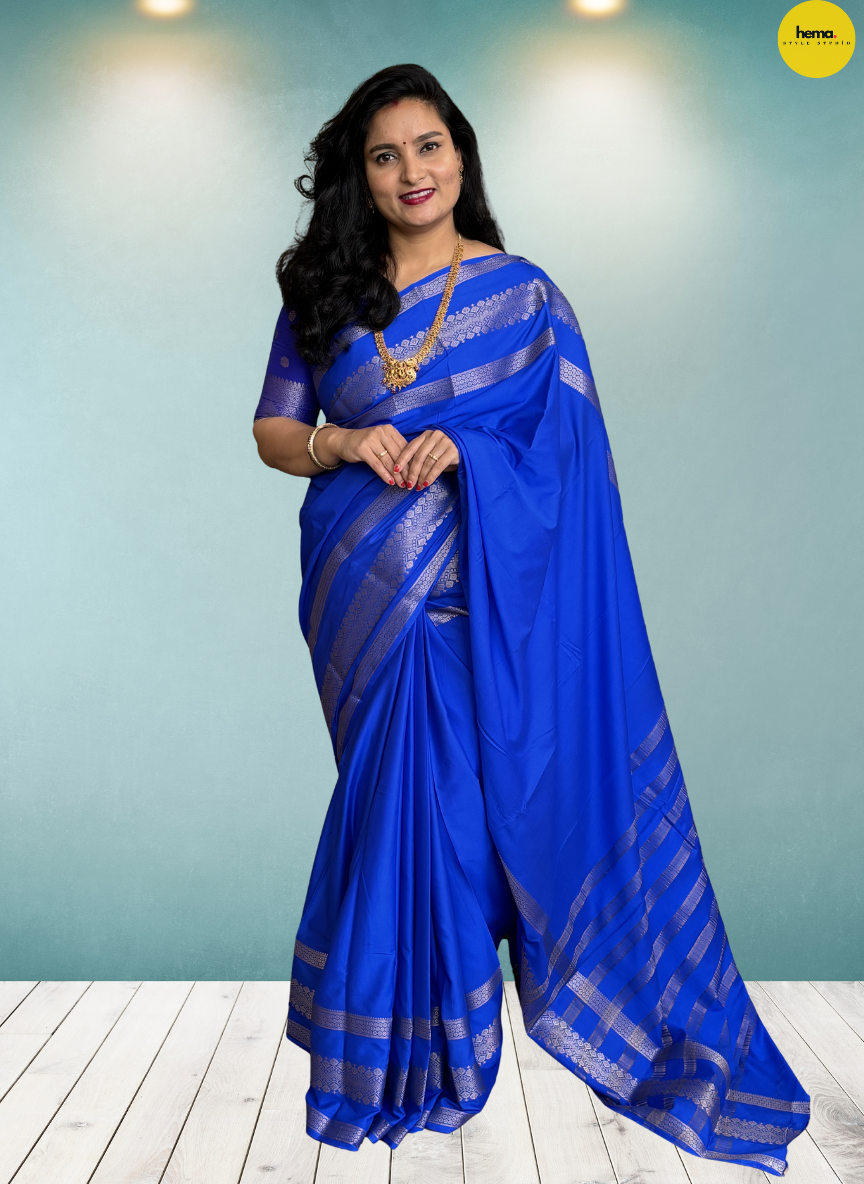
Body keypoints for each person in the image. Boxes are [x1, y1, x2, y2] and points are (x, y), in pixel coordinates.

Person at [252, 64, 808, 1171]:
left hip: (478, 621)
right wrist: (346, 440)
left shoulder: (524, 298)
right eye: (385, 155)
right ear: (361, 176)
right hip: (366, 613)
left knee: (459, 836)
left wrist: (471, 449)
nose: (412, 172)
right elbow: (273, 431)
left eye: (429, 146)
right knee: (392, 821)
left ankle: (449, 1063)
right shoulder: (324, 291)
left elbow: (570, 458)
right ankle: (390, 1069)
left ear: (461, 155)